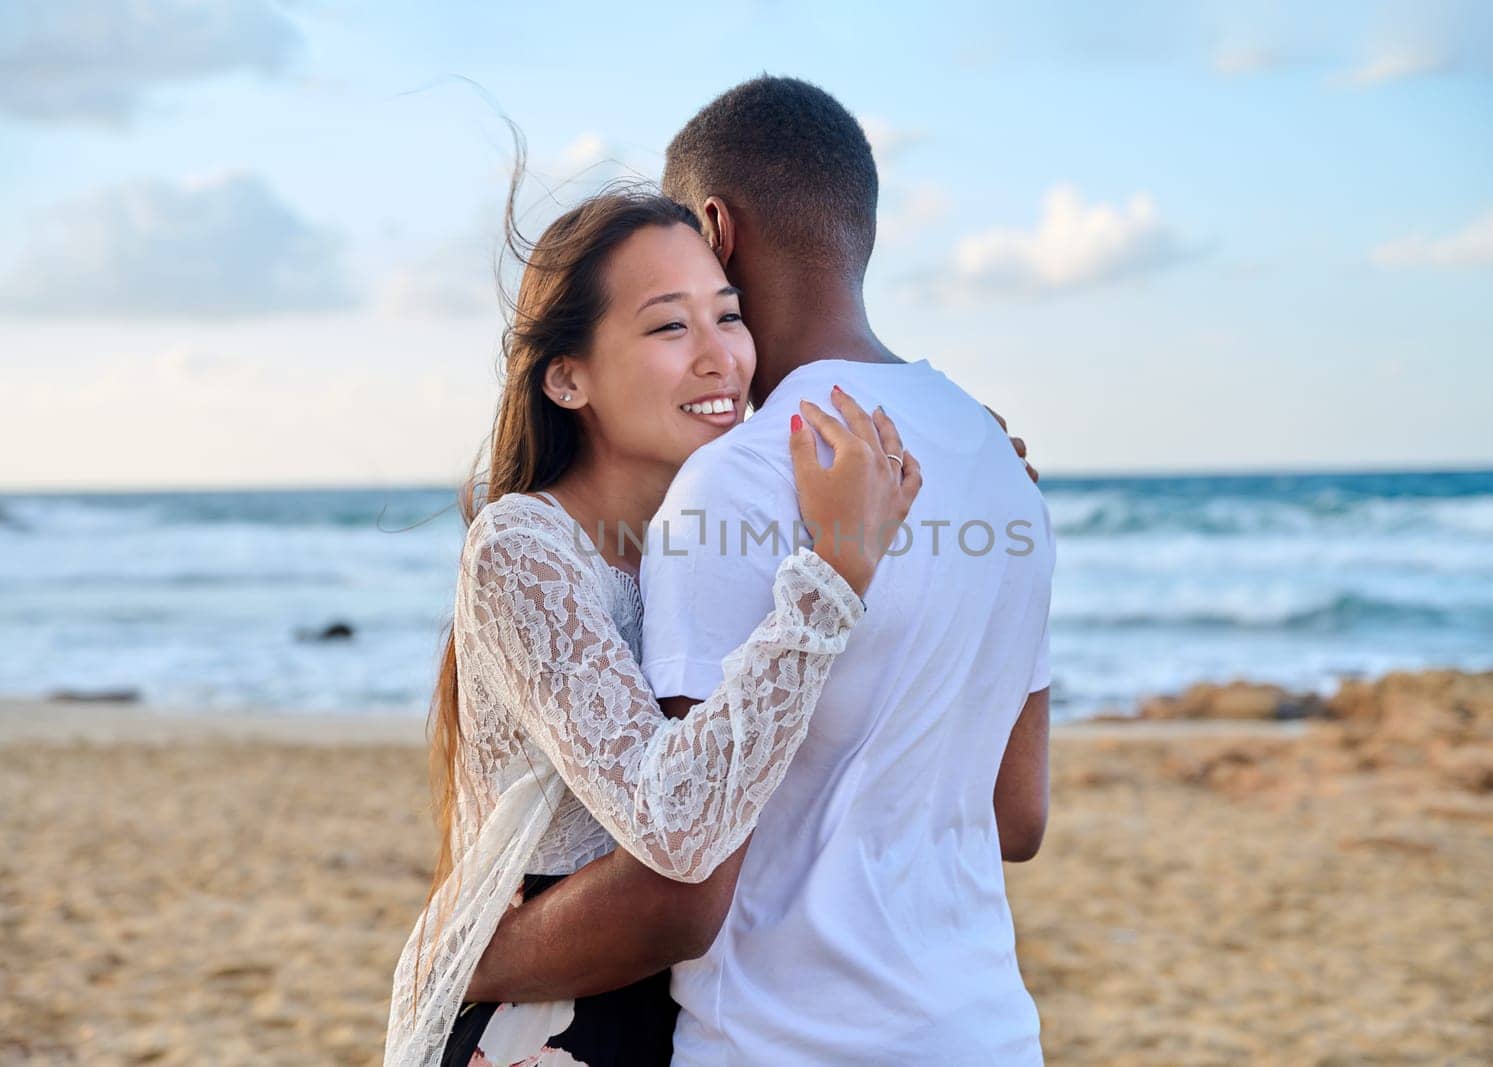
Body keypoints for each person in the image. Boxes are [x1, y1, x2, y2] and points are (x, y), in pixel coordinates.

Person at [466, 77, 1055, 1065]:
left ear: (711, 228)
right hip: (984, 1028)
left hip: (786, 1041)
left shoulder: (736, 480)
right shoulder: (998, 465)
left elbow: (678, 893)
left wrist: (469, 955)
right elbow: (1017, 813)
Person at [382, 187, 925, 1067]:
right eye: (670, 328)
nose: (723, 359)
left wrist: (975, 469)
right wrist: (834, 574)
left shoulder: (717, 539)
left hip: (692, 1010)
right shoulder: (521, 546)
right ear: (567, 376)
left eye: (730, 315)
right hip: (548, 1023)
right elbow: (673, 821)